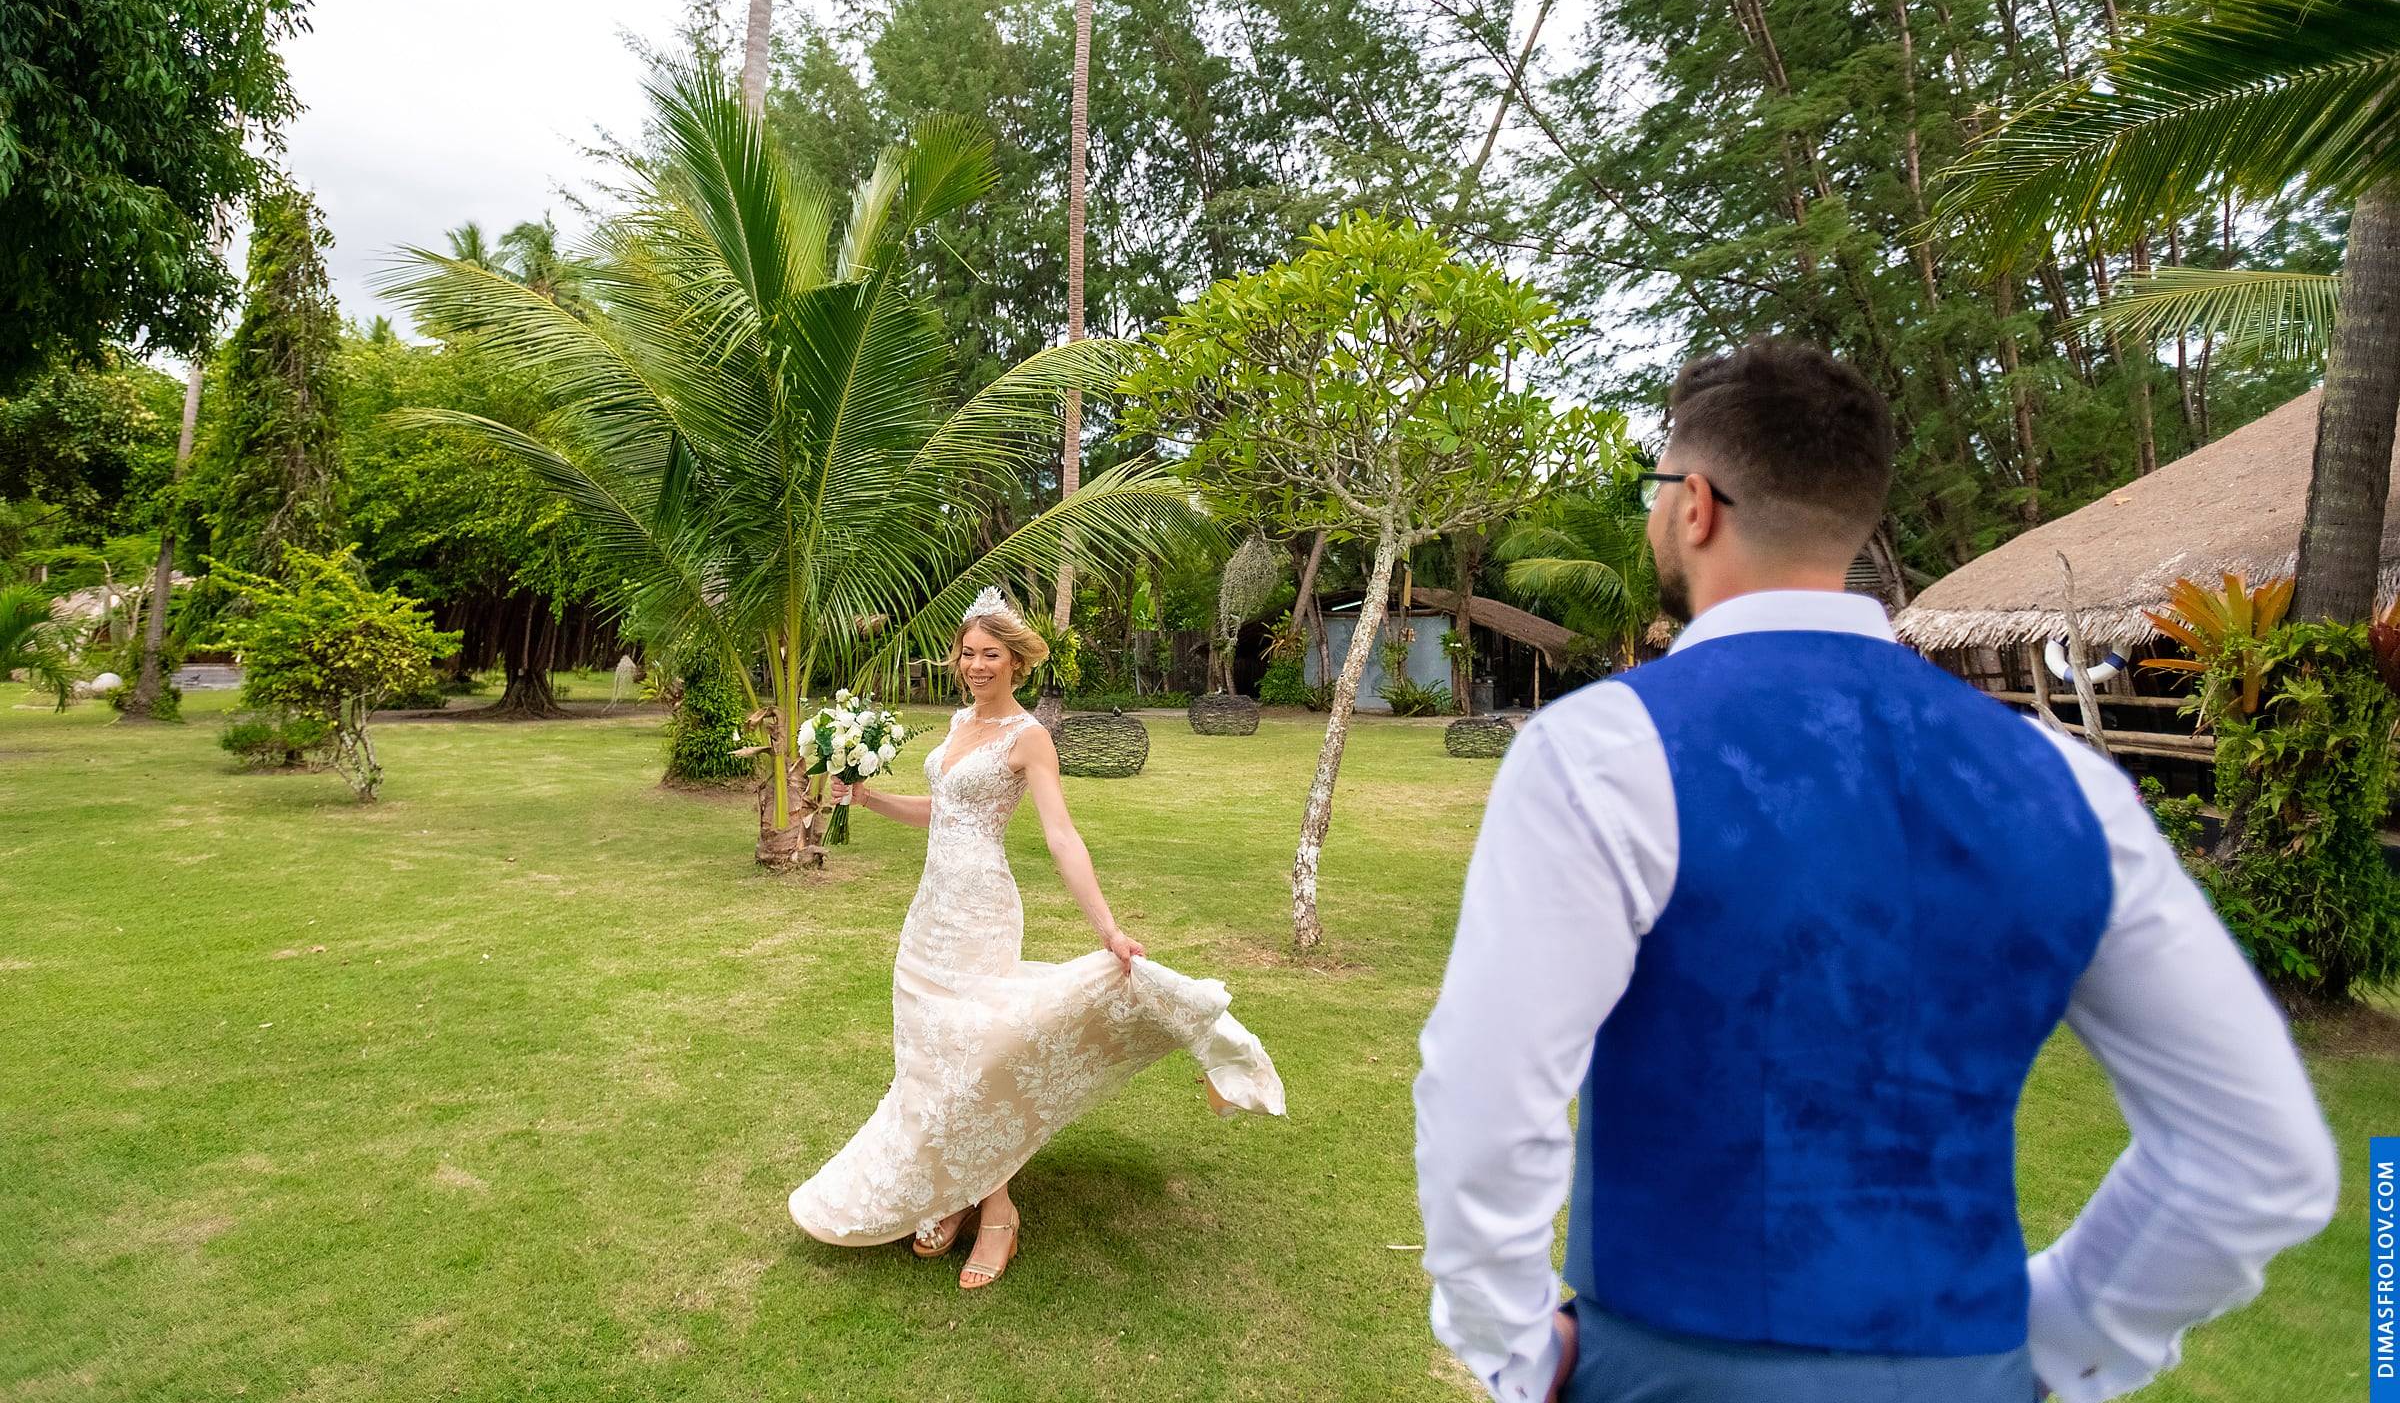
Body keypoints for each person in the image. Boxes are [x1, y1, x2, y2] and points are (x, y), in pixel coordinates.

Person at [1413, 342, 2339, 1402]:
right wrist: (2057, 1341)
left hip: (1670, 1369)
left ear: (1696, 505)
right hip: (1971, 1372)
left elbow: (1487, 1098)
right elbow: (2258, 1152)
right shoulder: (2066, 783)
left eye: (1657, 489)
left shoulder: (1601, 752)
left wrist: (1515, 1349)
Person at [789, 586, 1284, 1289]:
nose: (976, 665)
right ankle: (954, 1193)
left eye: (991, 654)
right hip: (929, 916)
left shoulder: (1029, 738)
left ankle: (998, 1213)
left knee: (978, 1055)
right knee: (930, 1060)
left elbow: (1061, 836)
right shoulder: (959, 722)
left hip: (982, 912)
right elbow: (941, 809)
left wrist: (1108, 928)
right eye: (968, 653)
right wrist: (866, 798)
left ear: (1016, 662)